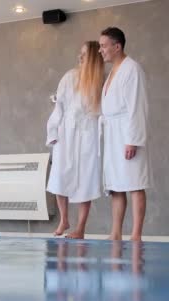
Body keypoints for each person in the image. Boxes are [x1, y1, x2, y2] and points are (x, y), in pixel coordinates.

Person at [46, 41, 105, 239]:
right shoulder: (69, 77)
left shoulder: (100, 82)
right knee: (59, 176)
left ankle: (80, 228)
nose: (80, 57)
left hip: (88, 134)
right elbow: (59, 107)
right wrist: (53, 132)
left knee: (85, 179)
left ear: (94, 59)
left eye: (85, 55)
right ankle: (64, 219)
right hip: (66, 132)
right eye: (80, 53)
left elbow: (104, 113)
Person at [98, 27, 152, 242]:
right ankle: (116, 233)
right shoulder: (113, 71)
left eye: (103, 46)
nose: (100, 50)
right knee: (116, 186)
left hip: (127, 133)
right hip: (113, 133)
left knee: (134, 183)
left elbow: (137, 106)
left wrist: (133, 140)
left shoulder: (132, 69)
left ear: (117, 46)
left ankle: (136, 234)